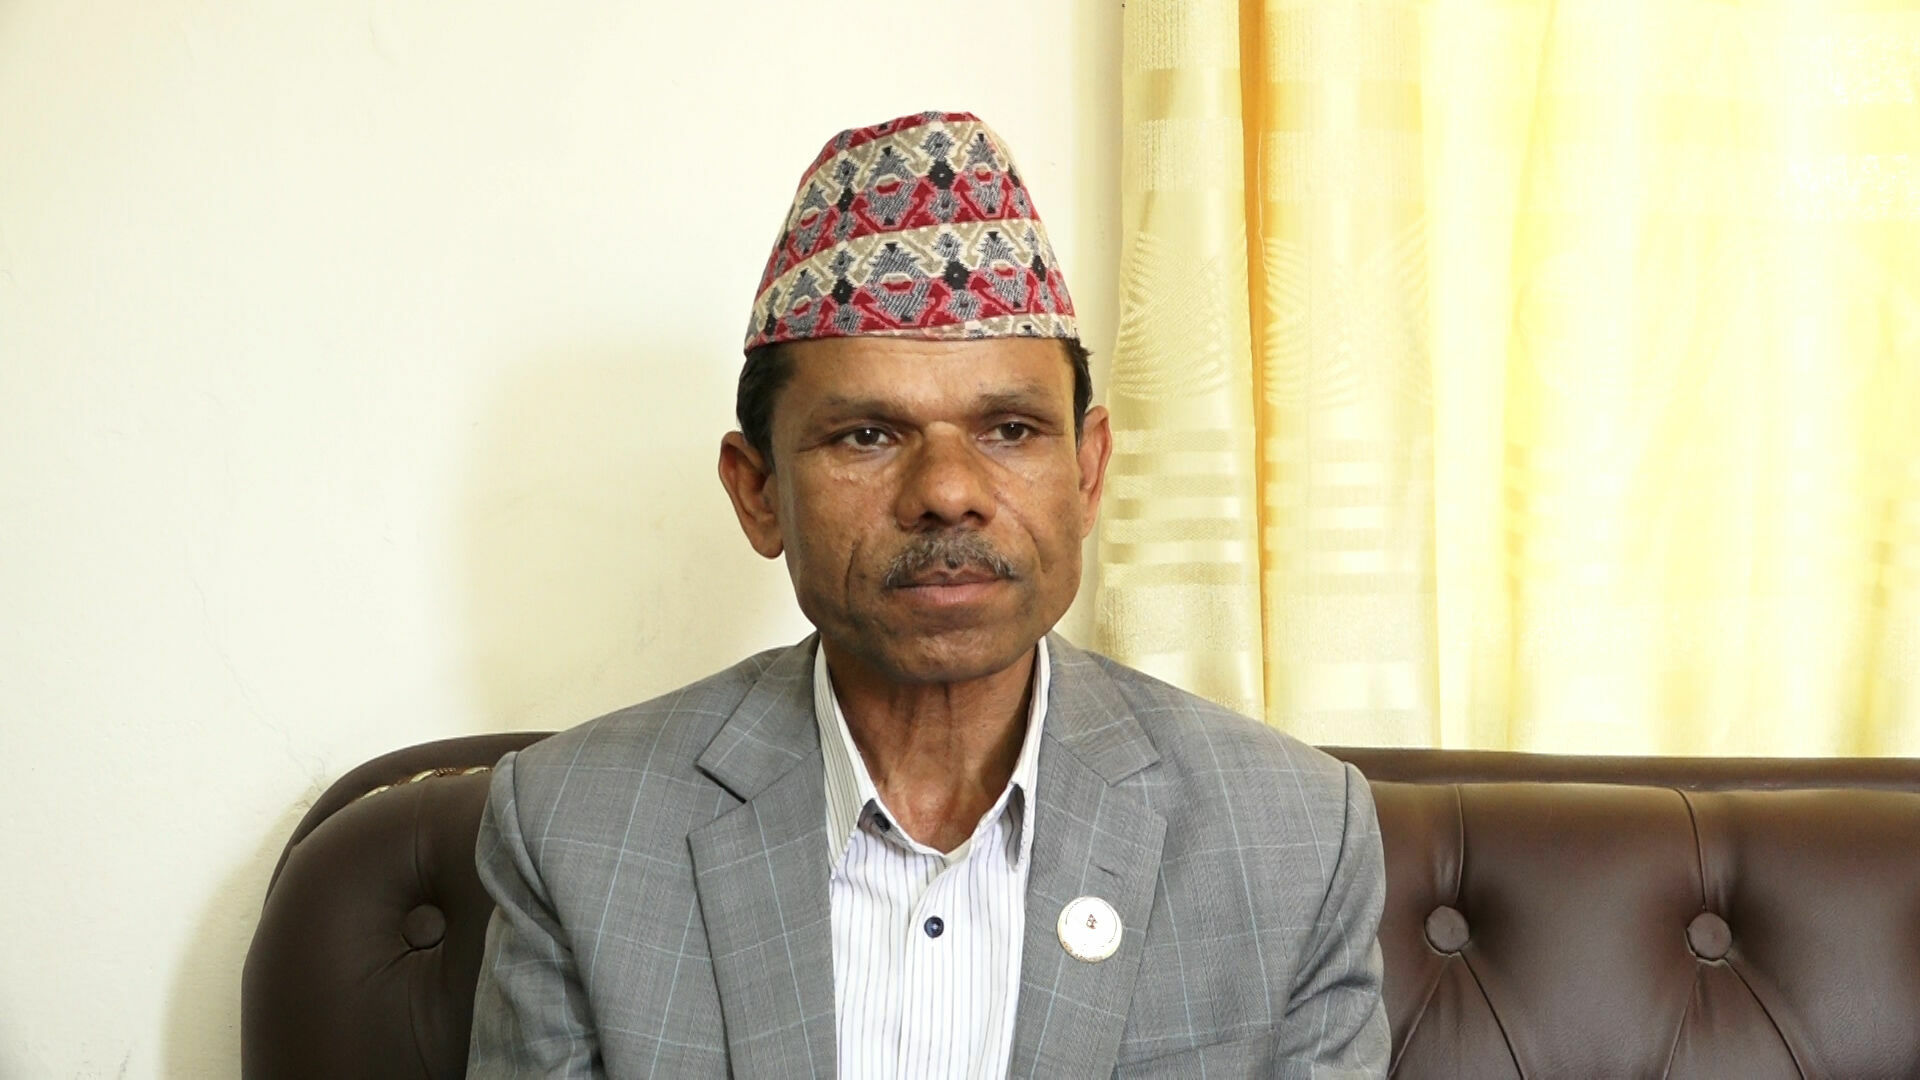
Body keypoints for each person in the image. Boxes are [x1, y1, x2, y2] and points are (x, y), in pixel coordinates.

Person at [467, 110, 1389, 1079]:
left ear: (1088, 474)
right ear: (758, 491)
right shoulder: (576, 829)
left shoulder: (1293, 837)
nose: (948, 491)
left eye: (1011, 429)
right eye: (867, 435)